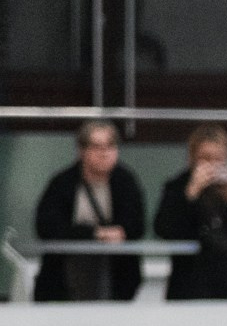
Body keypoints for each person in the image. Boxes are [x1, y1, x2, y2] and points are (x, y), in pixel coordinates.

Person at [31, 120, 147, 303]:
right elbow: (47, 227)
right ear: (81, 150)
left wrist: (121, 232)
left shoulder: (126, 182)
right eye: (97, 147)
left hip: (115, 277)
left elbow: (137, 225)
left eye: (110, 146)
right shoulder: (63, 183)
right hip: (65, 276)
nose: (104, 153)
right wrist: (94, 234)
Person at [153, 123, 227, 300]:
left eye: (218, 159)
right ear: (192, 158)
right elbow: (164, 229)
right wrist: (190, 195)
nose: (212, 166)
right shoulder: (178, 187)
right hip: (191, 283)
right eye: (205, 158)